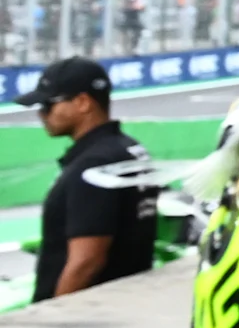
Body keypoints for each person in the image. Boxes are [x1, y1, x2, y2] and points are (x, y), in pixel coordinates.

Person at [21, 57, 151, 302]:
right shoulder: (129, 149)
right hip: (125, 303)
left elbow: (86, 261)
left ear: (82, 103)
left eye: (48, 105)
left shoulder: (94, 166)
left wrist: (55, 316)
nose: (41, 114)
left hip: (90, 317)